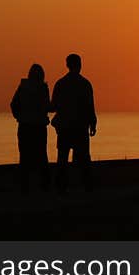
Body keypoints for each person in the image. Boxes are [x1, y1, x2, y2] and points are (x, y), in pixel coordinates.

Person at [51, 54, 97, 193]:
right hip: (80, 128)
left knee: (62, 158)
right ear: (79, 65)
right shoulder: (85, 84)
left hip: (65, 127)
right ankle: (87, 187)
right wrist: (93, 124)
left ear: (67, 65)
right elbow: (90, 107)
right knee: (84, 159)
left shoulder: (60, 83)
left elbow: (54, 106)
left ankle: (61, 187)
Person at [10, 63, 51, 191]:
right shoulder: (43, 88)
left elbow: (13, 104)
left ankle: (25, 187)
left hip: (25, 126)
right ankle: (43, 186)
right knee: (42, 157)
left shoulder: (23, 87)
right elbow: (47, 106)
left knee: (24, 157)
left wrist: (19, 117)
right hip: (39, 127)